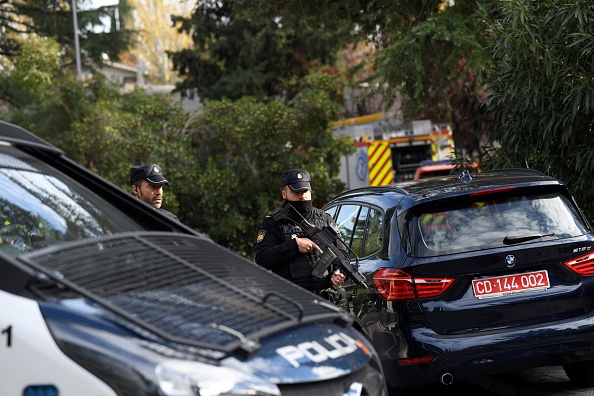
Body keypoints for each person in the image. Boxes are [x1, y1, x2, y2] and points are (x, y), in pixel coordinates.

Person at [255, 169, 347, 300]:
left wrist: (339, 272)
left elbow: (342, 254)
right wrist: (293, 245)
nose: (301, 195)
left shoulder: (325, 219)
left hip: (326, 299)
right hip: (291, 300)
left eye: (305, 191)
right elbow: (262, 260)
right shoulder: (273, 223)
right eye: (296, 191)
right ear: (284, 194)